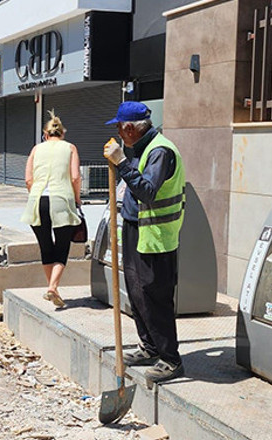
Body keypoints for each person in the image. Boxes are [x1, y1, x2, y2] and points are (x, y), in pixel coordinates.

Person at [103, 101, 185, 383]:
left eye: (118, 127)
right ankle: (149, 346)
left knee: (155, 296)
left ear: (128, 128)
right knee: (136, 293)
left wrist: (122, 163)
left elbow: (148, 191)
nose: (117, 132)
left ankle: (171, 359)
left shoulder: (160, 151)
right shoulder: (140, 148)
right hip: (136, 229)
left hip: (156, 236)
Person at [21, 110, 82, 308]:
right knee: (62, 246)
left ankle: (52, 287)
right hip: (61, 199)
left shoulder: (36, 149)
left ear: (46, 135)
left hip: (37, 200)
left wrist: (35, 194)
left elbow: (28, 179)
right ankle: (52, 288)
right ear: (62, 133)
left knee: (45, 246)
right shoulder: (70, 148)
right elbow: (75, 177)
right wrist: (77, 199)